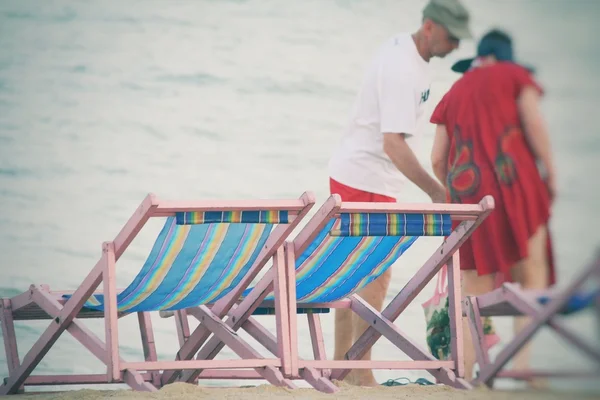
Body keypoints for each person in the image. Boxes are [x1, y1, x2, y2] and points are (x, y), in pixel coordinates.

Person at [327, 0, 472, 386]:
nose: (456, 46)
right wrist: (436, 191)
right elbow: (393, 143)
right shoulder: (402, 67)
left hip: (364, 174)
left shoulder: (403, 51)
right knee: (373, 277)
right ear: (429, 27)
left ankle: (343, 369)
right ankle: (360, 371)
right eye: (451, 36)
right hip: (367, 177)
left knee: (354, 277)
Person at [429, 29, 556, 386]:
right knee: (532, 270)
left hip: (468, 194)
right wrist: (552, 174)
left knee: (473, 287)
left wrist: (450, 193)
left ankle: (467, 373)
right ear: (507, 58)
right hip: (515, 185)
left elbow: (437, 158)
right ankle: (520, 365)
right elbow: (533, 123)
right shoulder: (515, 76)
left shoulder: (454, 91)